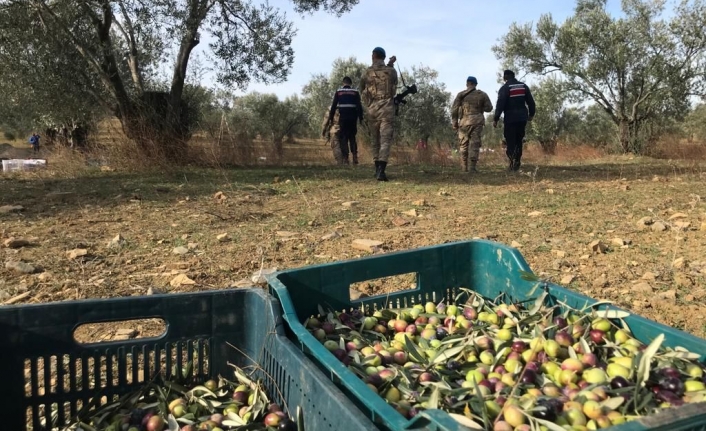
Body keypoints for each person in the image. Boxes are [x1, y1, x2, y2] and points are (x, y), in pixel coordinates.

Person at [360, 46, 398, 181]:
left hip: (372, 109)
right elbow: (393, 86)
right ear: (383, 56)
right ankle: (381, 171)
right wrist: (390, 65)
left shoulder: (367, 72)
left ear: (373, 56)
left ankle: (377, 169)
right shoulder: (392, 71)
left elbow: (362, 89)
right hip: (387, 108)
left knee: (374, 140)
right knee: (385, 140)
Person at [493, 69, 536, 172]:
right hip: (522, 118)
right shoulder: (523, 86)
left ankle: (512, 163)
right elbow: (531, 102)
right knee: (519, 140)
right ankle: (517, 161)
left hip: (510, 118)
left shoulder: (505, 88)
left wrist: (496, 118)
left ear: (505, 78)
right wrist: (531, 114)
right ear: (514, 76)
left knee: (510, 140)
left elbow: (500, 104)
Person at [451, 76, 493, 173]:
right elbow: (489, 108)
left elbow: (454, 109)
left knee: (463, 144)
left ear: (467, 84)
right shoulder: (482, 94)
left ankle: (464, 167)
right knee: (475, 143)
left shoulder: (460, 95)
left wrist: (454, 122)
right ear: (476, 84)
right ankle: (472, 168)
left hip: (464, 122)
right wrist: (481, 106)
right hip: (477, 122)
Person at [324, 76, 364, 165]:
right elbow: (359, 106)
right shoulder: (355, 92)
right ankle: (355, 157)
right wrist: (360, 118)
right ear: (351, 83)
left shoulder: (339, 92)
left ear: (343, 83)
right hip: (353, 118)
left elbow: (334, 105)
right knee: (352, 137)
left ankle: (346, 159)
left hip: (343, 118)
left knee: (344, 138)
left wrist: (331, 118)